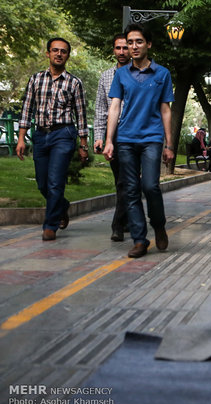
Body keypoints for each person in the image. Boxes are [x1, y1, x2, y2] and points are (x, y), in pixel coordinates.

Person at [102, 24, 174, 258]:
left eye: (138, 42)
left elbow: (165, 110)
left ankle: (159, 223)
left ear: (148, 44)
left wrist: (169, 144)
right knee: (130, 190)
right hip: (125, 140)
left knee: (150, 186)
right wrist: (109, 140)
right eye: (130, 42)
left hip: (152, 138)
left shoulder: (162, 73)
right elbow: (114, 108)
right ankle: (139, 239)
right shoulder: (121, 74)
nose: (133, 46)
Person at [15, 37, 89, 241]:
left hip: (63, 135)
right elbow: (26, 110)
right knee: (42, 183)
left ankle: (50, 226)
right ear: (47, 53)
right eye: (55, 50)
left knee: (56, 182)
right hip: (40, 135)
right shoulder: (36, 79)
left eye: (63, 51)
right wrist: (21, 139)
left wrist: (83, 145)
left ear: (68, 55)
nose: (59, 54)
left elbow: (81, 115)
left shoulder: (74, 83)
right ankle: (62, 206)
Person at [94, 34, 130, 242]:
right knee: (121, 180)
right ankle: (126, 219)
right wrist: (100, 137)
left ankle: (118, 224)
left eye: (125, 47)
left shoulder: (140, 74)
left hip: (135, 134)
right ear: (113, 50)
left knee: (126, 181)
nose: (122, 52)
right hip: (113, 134)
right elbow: (101, 109)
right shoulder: (106, 76)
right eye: (118, 48)